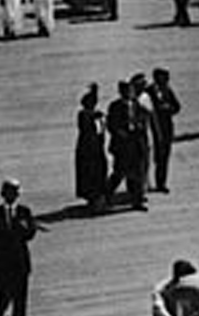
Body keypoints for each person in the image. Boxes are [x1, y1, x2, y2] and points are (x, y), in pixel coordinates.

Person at [0, 179, 37, 316]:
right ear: (2, 194)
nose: (12, 196)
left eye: (15, 193)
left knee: (21, 296)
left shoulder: (24, 212)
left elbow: (31, 233)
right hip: (3, 261)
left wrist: (23, 228)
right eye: (8, 193)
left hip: (20, 260)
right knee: (5, 294)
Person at [105, 79, 150, 211]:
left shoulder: (136, 104)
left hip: (135, 144)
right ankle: (107, 195)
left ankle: (136, 201)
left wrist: (140, 125)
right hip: (122, 146)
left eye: (130, 91)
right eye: (126, 91)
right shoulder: (115, 106)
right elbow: (111, 124)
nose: (129, 93)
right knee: (119, 173)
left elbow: (144, 118)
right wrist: (121, 133)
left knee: (137, 174)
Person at [145, 68, 181, 193]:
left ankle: (161, 183)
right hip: (153, 128)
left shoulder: (167, 89)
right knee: (152, 156)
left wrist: (168, 108)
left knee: (164, 156)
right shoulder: (148, 91)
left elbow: (177, 106)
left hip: (166, 128)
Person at [75, 84, 109, 213]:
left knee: (97, 173)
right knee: (91, 173)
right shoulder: (85, 115)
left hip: (94, 148)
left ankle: (96, 198)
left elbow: (101, 131)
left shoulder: (94, 115)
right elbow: (90, 129)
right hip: (89, 149)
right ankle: (94, 199)